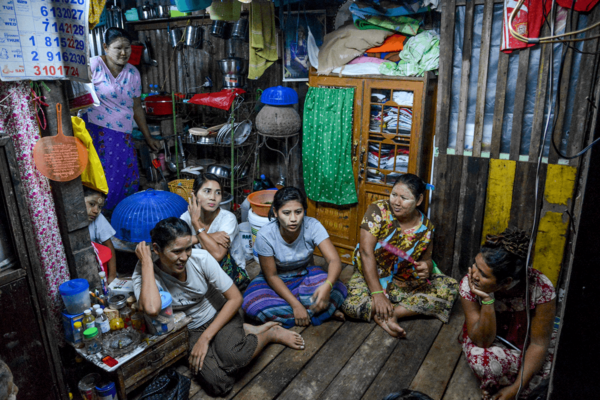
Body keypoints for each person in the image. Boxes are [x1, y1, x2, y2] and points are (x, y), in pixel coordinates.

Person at [132, 217, 305, 396]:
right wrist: (146, 263)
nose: (184, 257)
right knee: (219, 383)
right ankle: (242, 334)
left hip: (220, 314)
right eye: (176, 251)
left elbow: (235, 299)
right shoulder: (144, 270)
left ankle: (269, 334)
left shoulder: (200, 259)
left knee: (235, 356)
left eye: (188, 248)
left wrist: (205, 339)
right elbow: (152, 308)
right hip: (188, 330)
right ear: (156, 250)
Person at [341, 174, 458, 337]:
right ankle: (387, 306)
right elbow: (366, 252)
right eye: (394, 194)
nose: (396, 201)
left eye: (404, 197)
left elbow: (427, 261)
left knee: (450, 287)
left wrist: (427, 268)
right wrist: (377, 294)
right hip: (371, 276)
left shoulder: (426, 228)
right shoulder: (378, 211)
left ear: (418, 201)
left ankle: (392, 313)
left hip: (402, 281)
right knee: (350, 306)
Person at [460, 228, 556, 400]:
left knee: (554, 372)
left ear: (507, 282)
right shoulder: (469, 285)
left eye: (483, 274)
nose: (473, 273)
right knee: (482, 362)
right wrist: (488, 299)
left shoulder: (541, 288)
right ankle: (502, 382)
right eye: (475, 264)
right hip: (492, 341)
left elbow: (539, 345)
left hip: (526, 345)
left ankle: (503, 385)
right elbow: (482, 340)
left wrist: (514, 389)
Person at [242, 187, 347, 328]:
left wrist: (327, 286)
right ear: (276, 213)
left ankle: (294, 316)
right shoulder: (265, 235)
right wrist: (296, 305)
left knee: (337, 287)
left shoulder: (313, 226)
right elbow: (272, 276)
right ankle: (321, 312)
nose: (293, 219)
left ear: (304, 211)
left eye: (298, 212)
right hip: (277, 280)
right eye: (286, 213)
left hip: (305, 275)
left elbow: (334, 260)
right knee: (251, 303)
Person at [84, 27, 160, 211]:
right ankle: (101, 217)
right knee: (103, 177)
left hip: (124, 135)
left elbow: (136, 107)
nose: (124, 52)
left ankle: (121, 215)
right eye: (118, 48)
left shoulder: (133, 73)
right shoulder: (93, 66)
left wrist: (148, 137)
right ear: (105, 47)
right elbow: (77, 95)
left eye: (127, 48)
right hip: (98, 133)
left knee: (125, 176)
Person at [180, 173, 250, 290]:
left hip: (231, 272)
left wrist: (196, 225)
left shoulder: (228, 218)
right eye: (207, 191)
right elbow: (175, 243)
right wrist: (209, 236)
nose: (213, 197)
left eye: (218, 193)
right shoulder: (186, 218)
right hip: (201, 270)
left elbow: (217, 255)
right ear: (194, 194)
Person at [84, 186, 117, 284]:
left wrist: (112, 276)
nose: (96, 210)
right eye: (92, 204)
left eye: (99, 207)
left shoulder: (97, 218)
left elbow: (109, 247)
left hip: (99, 266)